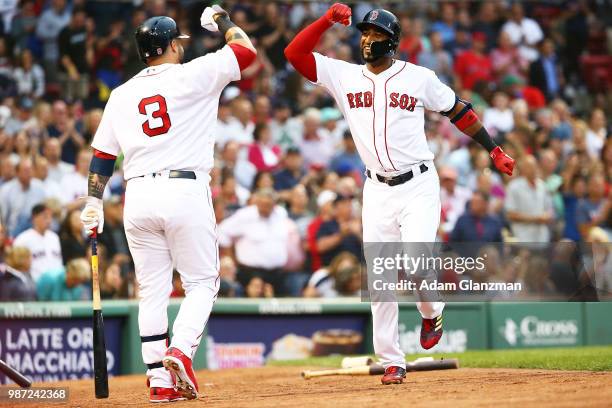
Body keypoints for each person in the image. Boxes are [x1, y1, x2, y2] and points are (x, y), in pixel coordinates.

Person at [285, 4, 514, 385]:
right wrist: (325, 21)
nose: (366, 40)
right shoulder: (344, 75)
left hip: (419, 184)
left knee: (416, 261)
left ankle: (431, 311)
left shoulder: (419, 77)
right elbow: (294, 54)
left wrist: (493, 148)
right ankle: (392, 359)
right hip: (376, 188)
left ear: (391, 42)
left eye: (374, 35)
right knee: (380, 278)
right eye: (363, 34)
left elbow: (459, 110)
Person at [79, 8, 256, 402]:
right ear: (173, 45)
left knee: (152, 292)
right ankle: (182, 349)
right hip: (183, 189)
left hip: (137, 195)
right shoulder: (193, 73)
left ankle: (158, 379)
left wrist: (93, 200)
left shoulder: (121, 93)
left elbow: (102, 157)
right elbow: (245, 51)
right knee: (202, 283)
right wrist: (223, 20)